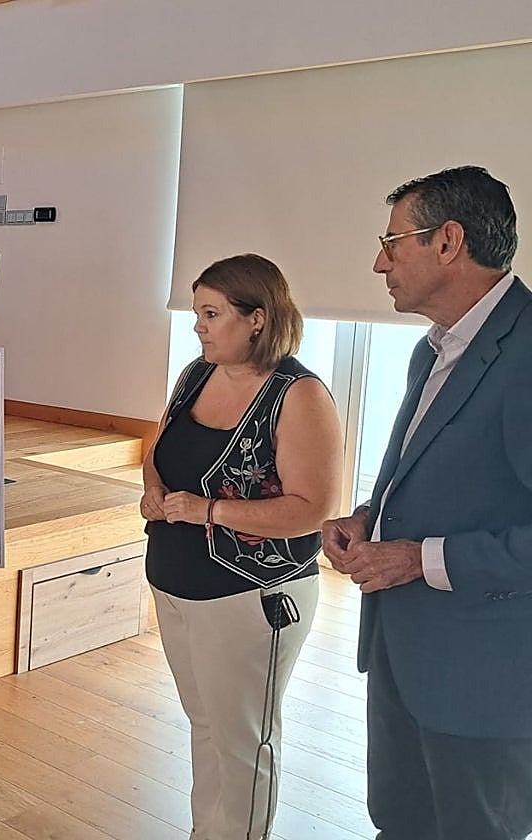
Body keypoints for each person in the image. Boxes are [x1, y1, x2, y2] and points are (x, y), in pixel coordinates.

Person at [323, 166, 532, 840]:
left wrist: (419, 558)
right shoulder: (430, 351)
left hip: (485, 681)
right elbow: (431, 479)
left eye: (392, 243)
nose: (377, 262)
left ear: (448, 241)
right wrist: (368, 518)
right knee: (400, 823)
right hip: (402, 656)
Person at [141, 254, 342, 840]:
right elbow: (160, 451)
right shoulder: (195, 376)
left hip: (251, 595)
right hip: (176, 581)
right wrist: (153, 489)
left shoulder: (298, 395)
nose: (198, 325)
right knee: (205, 725)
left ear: (257, 318)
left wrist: (210, 511)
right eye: (198, 312)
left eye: (211, 313)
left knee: (242, 740)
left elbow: (312, 508)